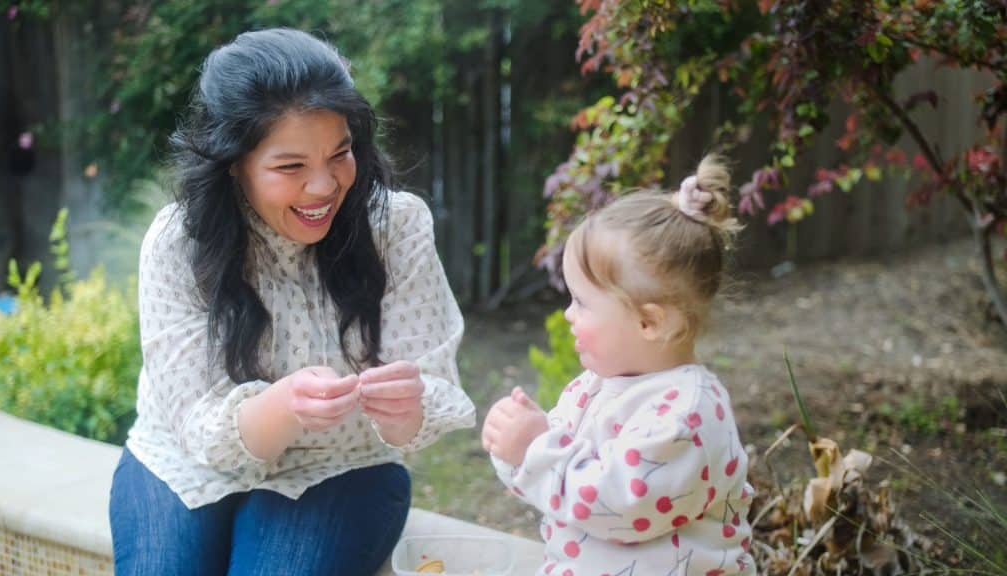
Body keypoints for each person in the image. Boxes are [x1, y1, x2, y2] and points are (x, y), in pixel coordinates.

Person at [109, 28, 475, 576]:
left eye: (340, 153)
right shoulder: (178, 243)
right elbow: (198, 425)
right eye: (291, 167)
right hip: (181, 468)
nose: (324, 186)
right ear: (234, 162)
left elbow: (428, 392)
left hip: (341, 467)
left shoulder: (396, 226)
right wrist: (284, 406)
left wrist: (407, 407)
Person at [482, 155, 755, 575]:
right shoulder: (593, 385)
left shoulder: (687, 415)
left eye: (583, 303)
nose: (568, 314)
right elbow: (554, 483)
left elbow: (619, 506)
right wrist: (515, 445)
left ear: (650, 322)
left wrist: (535, 449)